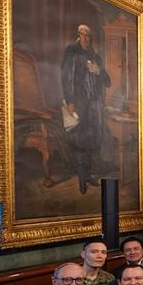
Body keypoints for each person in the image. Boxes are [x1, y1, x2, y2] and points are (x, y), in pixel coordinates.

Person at [61, 23, 110, 194]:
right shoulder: (71, 52)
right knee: (80, 140)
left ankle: (88, 175)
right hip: (79, 103)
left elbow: (108, 82)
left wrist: (99, 71)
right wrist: (70, 101)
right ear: (78, 36)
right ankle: (82, 178)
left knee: (90, 141)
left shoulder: (96, 56)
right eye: (82, 34)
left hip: (95, 106)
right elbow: (66, 77)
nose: (85, 38)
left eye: (88, 35)